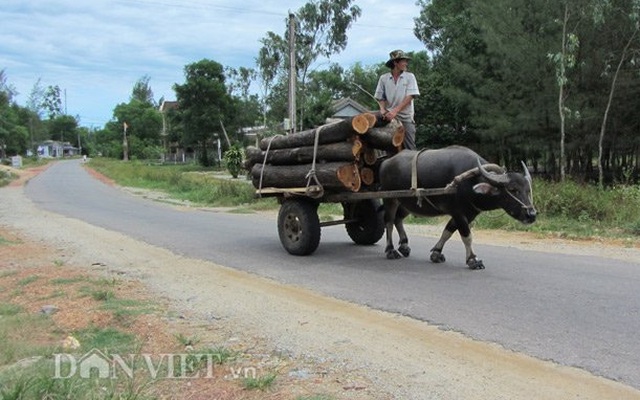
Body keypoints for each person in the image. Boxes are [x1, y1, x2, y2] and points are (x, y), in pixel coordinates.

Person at [374, 49, 420, 150]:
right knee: (389, 146)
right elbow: (380, 97)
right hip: (390, 117)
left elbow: (410, 96)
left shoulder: (410, 77)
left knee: (410, 148)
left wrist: (395, 111)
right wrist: (382, 109)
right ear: (395, 62)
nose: (406, 63)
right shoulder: (384, 78)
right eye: (403, 61)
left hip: (405, 117)